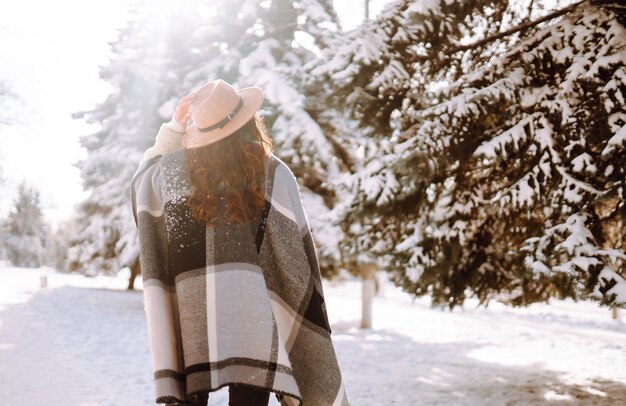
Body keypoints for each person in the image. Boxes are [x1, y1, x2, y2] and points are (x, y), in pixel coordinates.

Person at [130, 79, 350, 406]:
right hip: (253, 314)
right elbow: (294, 253)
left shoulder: (173, 173)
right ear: (249, 122)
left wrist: (175, 126)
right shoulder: (272, 172)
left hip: (194, 312)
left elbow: (141, 181)